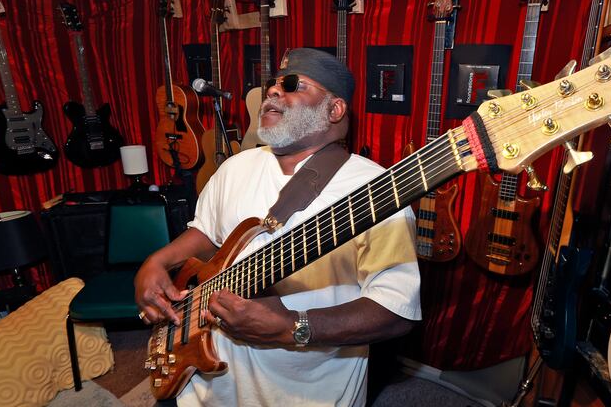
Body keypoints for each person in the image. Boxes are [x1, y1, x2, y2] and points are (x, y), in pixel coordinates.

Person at [135, 48, 421, 406]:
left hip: (306, 390)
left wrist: (294, 327)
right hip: (209, 386)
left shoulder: (375, 191)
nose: (272, 91)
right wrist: (158, 261)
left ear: (334, 110)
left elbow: (396, 311)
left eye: (292, 85)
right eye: (271, 85)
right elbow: (208, 233)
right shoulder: (235, 167)